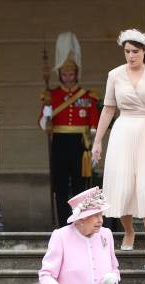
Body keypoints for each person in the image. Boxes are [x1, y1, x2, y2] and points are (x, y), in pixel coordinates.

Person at [91, 29, 145, 270]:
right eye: (127, 51)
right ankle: (128, 230)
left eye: (135, 51)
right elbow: (108, 109)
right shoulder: (115, 75)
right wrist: (98, 141)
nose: (130, 56)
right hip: (123, 130)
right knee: (123, 186)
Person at [39, 32, 100, 228]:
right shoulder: (51, 95)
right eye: (64, 74)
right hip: (60, 142)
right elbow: (42, 124)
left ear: (76, 74)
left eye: (71, 73)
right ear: (60, 75)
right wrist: (47, 112)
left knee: (80, 185)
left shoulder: (88, 96)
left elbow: (94, 124)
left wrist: (93, 147)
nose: (68, 77)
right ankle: (64, 223)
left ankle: (81, 221)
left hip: (81, 144)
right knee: (61, 186)